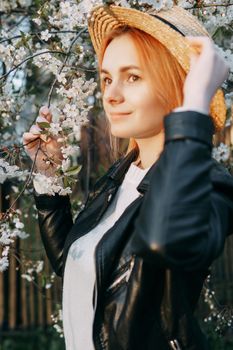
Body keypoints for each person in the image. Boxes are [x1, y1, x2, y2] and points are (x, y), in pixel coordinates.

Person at [23, 4, 233, 350]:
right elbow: (81, 268)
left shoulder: (209, 184)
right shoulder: (120, 176)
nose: (111, 94)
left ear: (179, 84)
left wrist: (195, 104)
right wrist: (49, 183)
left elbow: (163, 240)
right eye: (107, 78)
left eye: (132, 77)